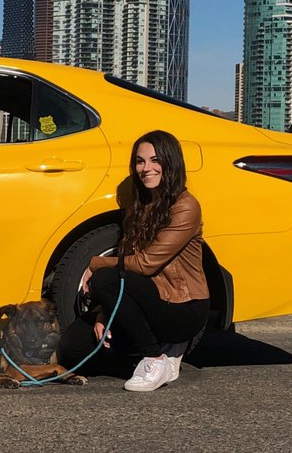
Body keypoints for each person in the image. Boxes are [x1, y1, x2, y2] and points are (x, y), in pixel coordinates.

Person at [56, 129, 210, 392]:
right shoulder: (140, 207)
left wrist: (95, 264)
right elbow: (128, 271)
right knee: (71, 349)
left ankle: (155, 359)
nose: (145, 168)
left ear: (170, 163)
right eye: (140, 161)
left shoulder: (185, 207)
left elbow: (146, 264)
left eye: (154, 160)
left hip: (183, 307)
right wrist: (104, 310)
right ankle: (153, 350)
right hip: (149, 301)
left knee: (104, 277)